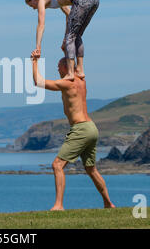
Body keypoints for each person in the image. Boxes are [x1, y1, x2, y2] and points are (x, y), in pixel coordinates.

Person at [30, 51, 115, 210]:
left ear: (65, 67)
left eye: (58, 67)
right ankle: (108, 203)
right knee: (91, 169)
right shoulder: (81, 81)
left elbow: (38, 82)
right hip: (91, 128)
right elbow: (75, 58)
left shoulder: (66, 83)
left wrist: (34, 62)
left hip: (81, 129)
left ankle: (58, 205)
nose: (57, 70)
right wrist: (66, 48)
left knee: (57, 165)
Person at [25, 0, 99, 80]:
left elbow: (41, 25)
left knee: (71, 37)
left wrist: (38, 47)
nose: (34, 8)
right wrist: (65, 39)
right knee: (76, 35)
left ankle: (71, 73)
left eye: (31, 5)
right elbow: (69, 15)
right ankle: (80, 70)